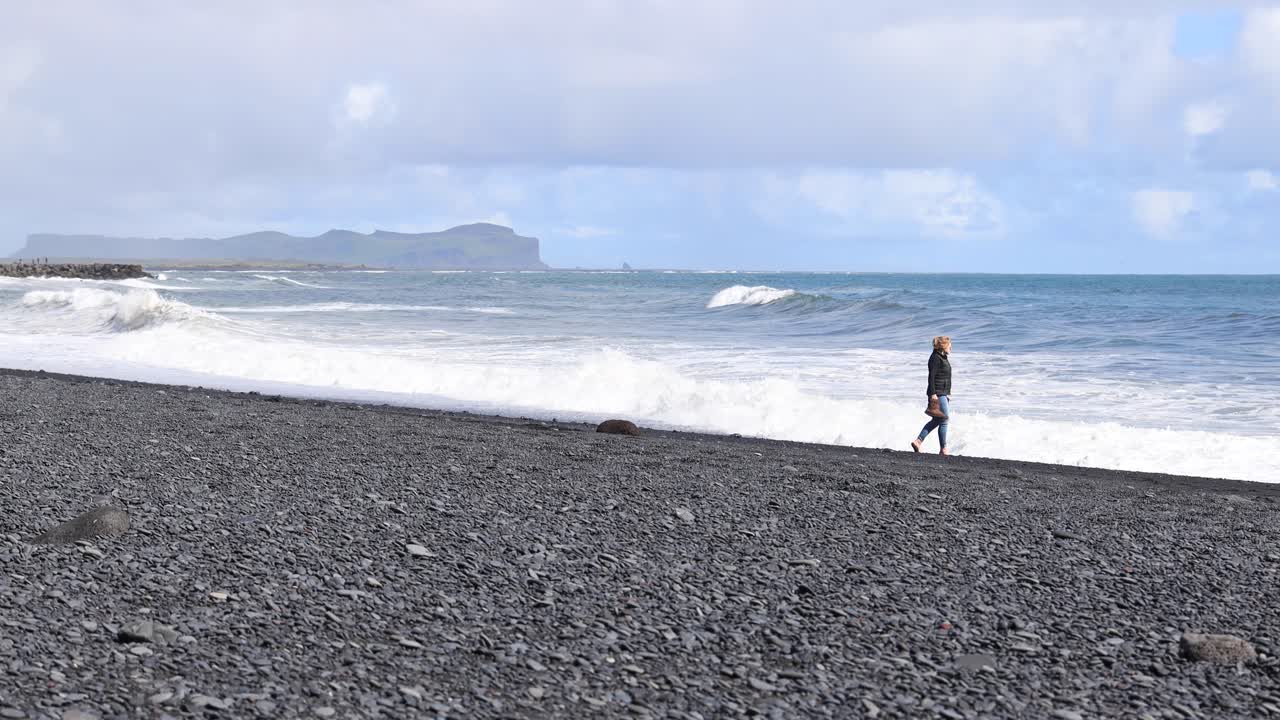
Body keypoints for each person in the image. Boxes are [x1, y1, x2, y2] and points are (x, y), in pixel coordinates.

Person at [911, 336, 951, 455]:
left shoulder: (943, 357)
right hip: (938, 392)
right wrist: (933, 394)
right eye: (950, 345)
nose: (951, 347)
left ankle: (918, 441)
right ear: (944, 346)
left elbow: (945, 377)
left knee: (938, 419)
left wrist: (948, 393)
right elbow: (931, 377)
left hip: (943, 392)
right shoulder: (935, 358)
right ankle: (943, 449)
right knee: (944, 419)